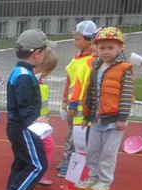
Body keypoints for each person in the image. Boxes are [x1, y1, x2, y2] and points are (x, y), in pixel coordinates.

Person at [0, 29, 56, 190]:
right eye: (45, 51)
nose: (46, 55)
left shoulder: (21, 71)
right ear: (36, 53)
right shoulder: (24, 75)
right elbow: (24, 106)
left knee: (23, 162)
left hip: (19, 126)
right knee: (38, 164)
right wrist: (35, 121)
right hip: (24, 128)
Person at [73, 27, 133, 190]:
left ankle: (105, 181)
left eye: (110, 48)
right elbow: (90, 93)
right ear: (96, 48)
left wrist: (123, 117)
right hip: (97, 119)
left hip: (114, 119)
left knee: (108, 153)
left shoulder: (124, 68)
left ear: (120, 48)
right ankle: (93, 176)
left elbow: (127, 95)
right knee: (92, 150)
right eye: (102, 48)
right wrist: (86, 115)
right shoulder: (96, 67)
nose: (106, 52)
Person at [57, 20, 97, 178]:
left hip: (83, 105)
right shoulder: (76, 57)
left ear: (90, 40)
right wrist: (65, 99)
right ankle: (68, 159)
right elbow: (69, 79)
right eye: (74, 38)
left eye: (78, 39)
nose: (75, 42)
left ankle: (72, 164)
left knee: (79, 136)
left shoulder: (93, 60)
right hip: (72, 103)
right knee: (71, 134)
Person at [34, 49, 58, 187]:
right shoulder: (33, 83)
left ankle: (37, 171)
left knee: (42, 147)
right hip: (36, 123)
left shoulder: (41, 82)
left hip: (41, 122)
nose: (49, 74)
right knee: (48, 146)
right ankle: (40, 173)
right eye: (47, 70)